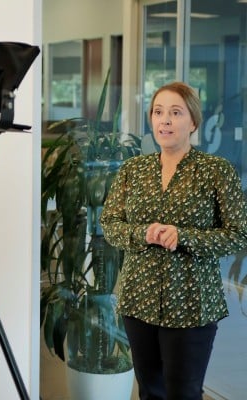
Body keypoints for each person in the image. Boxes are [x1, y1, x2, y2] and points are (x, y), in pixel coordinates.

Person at [100, 81, 247, 400]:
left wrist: (184, 237)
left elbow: (238, 234)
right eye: (158, 112)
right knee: (149, 392)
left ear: (193, 122)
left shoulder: (216, 171)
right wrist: (141, 233)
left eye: (176, 112)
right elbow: (109, 224)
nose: (165, 120)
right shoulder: (133, 170)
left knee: (184, 393)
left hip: (192, 303)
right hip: (138, 299)